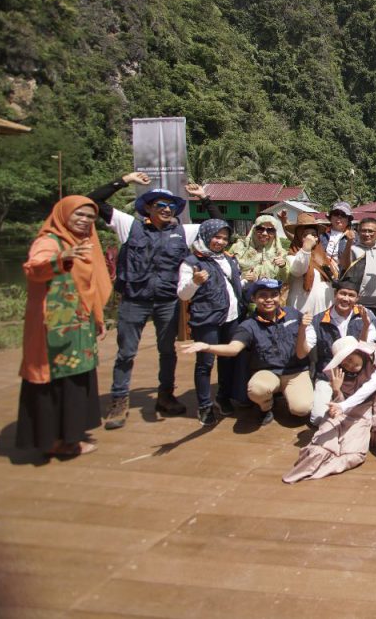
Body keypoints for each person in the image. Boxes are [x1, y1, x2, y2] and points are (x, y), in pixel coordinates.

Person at [85, 173, 221, 429]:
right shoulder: (129, 226)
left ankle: (165, 395)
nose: (167, 209)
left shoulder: (183, 232)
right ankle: (119, 400)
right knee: (126, 353)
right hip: (134, 300)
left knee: (167, 351)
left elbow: (217, 226)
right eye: (161, 205)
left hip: (167, 301)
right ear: (148, 208)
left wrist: (204, 198)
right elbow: (92, 201)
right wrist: (124, 180)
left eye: (171, 205)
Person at [16, 196, 112, 457]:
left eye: (90, 217)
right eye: (79, 214)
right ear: (63, 214)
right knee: (54, 382)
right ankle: (54, 440)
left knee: (76, 381)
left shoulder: (85, 243)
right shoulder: (49, 242)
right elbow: (34, 269)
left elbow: (90, 286)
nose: (85, 220)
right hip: (51, 330)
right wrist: (61, 258)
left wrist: (97, 319)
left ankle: (69, 436)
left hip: (79, 325)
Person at [181, 279, 313, 427]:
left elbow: (304, 351)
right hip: (268, 372)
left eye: (273, 295)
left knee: (302, 409)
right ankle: (266, 407)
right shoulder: (248, 325)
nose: (269, 299)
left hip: (296, 371)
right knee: (257, 390)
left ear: (280, 296)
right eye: (263, 295)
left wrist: (303, 328)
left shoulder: (293, 314)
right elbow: (233, 349)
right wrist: (207, 347)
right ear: (253, 299)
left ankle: (288, 395)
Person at [283, 336, 376, 483]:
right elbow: (338, 404)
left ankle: (322, 469)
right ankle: (306, 468)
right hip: (338, 416)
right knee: (321, 448)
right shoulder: (339, 375)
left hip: (360, 419)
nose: (350, 365)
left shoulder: (374, 372)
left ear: (360, 353)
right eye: (345, 362)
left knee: (354, 455)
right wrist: (337, 390)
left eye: (351, 359)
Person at [177, 219, 245, 425]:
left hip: (231, 317)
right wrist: (194, 282)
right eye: (216, 237)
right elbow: (183, 294)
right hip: (207, 320)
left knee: (227, 360)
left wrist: (246, 281)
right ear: (206, 235)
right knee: (205, 363)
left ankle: (223, 397)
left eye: (224, 238)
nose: (220, 241)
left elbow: (231, 285)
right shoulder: (192, 262)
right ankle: (204, 406)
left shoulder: (228, 259)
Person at [304, 259, 376, 426]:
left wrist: (366, 326)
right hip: (328, 375)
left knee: (358, 415)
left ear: (357, 298)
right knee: (317, 418)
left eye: (351, 295)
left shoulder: (366, 316)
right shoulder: (318, 320)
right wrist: (303, 328)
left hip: (356, 374)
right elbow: (304, 351)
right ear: (335, 294)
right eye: (342, 293)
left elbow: (365, 349)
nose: (346, 298)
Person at [340, 216, 376, 316]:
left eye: (370, 231)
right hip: (360, 304)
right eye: (363, 231)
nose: (367, 234)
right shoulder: (353, 249)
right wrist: (349, 243)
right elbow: (345, 266)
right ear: (358, 232)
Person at [284, 212, 338, 317]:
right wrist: (306, 247)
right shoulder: (292, 257)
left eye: (314, 234)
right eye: (305, 235)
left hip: (325, 310)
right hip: (303, 311)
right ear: (298, 237)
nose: (311, 238)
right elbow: (299, 270)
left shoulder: (324, 258)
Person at [229, 214, 289, 282]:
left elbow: (286, 279)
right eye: (260, 229)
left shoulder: (280, 253)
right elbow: (225, 272)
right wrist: (243, 276)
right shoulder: (238, 248)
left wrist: (283, 266)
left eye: (270, 230)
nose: (264, 233)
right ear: (254, 230)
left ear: (275, 234)